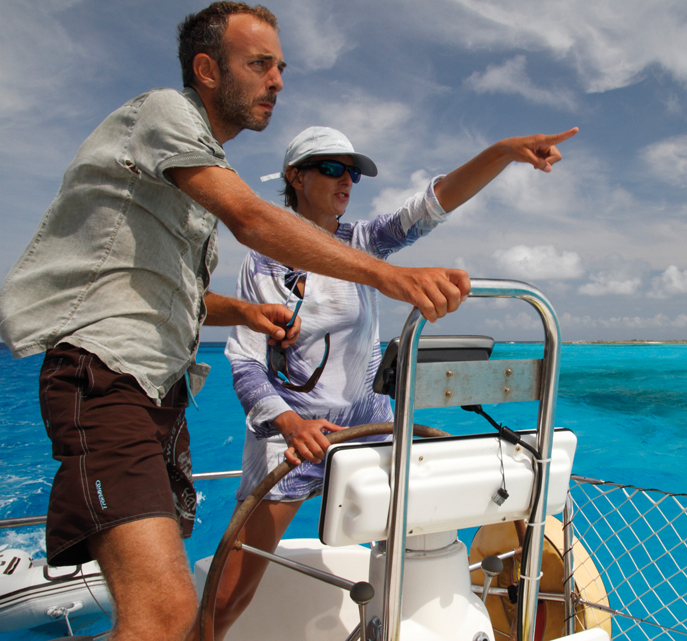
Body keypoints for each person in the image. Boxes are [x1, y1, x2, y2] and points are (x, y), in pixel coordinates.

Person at [0, 3, 470, 640]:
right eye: (260, 64)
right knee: (167, 614)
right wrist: (390, 276)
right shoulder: (166, 113)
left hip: (159, 396)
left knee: (167, 613)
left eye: (281, 67)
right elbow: (251, 220)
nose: (277, 80)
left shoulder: (185, 195)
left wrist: (242, 311)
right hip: (103, 376)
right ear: (207, 70)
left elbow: (180, 298)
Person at [208, 123, 577, 638]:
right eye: (333, 168)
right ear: (294, 176)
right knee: (227, 597)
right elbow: (245, 362)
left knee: (410, 565)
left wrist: (502, 152)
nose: (347, 181)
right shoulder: (262, 259)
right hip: (294, 439)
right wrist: (291, 425)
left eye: (353, 173)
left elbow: (432, 204)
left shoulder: (361, 242)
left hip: (370, 432)